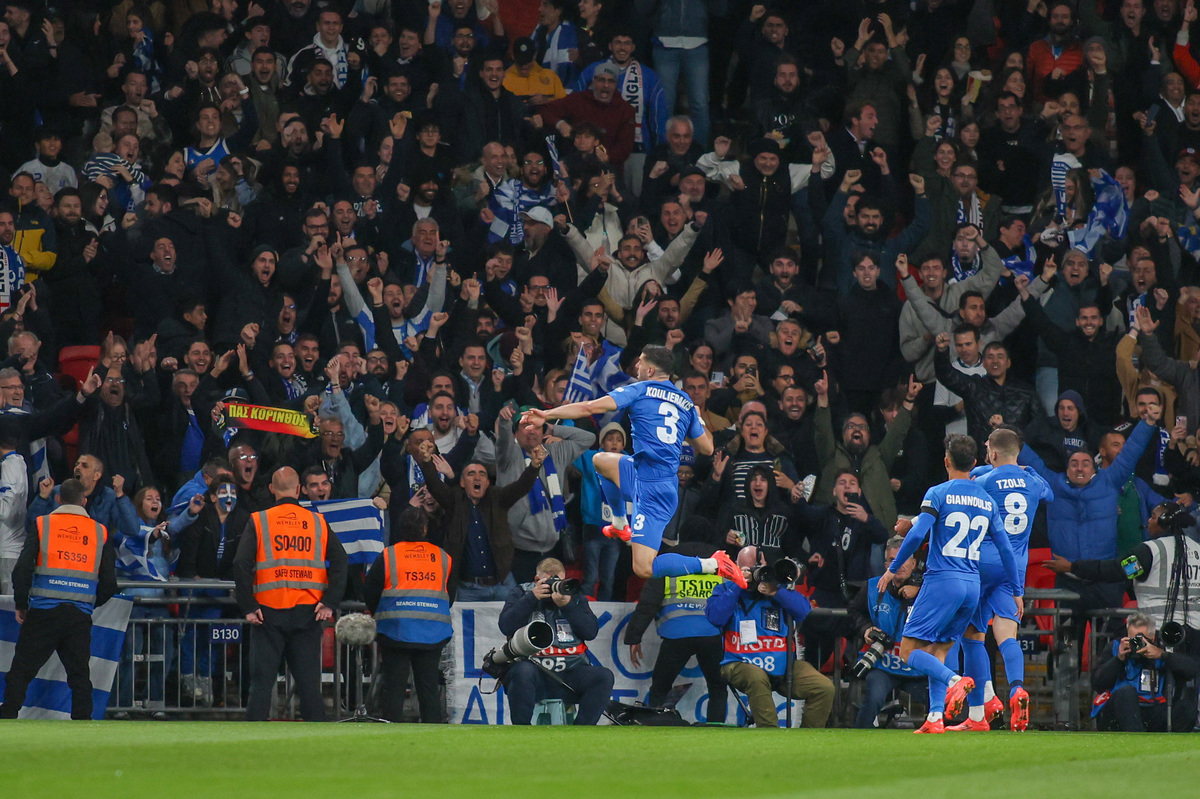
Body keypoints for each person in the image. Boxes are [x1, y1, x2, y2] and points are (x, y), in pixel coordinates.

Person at [520, 345, 742, 586]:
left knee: (643, 568)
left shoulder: (640, 390)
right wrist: (698, 419)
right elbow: (708, 448)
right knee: (600, 460)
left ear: (649, 369)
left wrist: (546, 414)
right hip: (642, 472)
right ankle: (618, 522)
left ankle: (713, 563)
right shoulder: (686, 402)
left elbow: (589, 407)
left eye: (639, 362)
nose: (635, 366)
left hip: (654, 492)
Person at [877, 434, 1018, 734]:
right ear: (975, 463)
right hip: (972, 584)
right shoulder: (987, 501)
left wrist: (891, 569)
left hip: (943, 580)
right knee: (939, 650)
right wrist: (1017, 590)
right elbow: (1006, 549)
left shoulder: (938, 493)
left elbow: (916, 535)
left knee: (909, 651)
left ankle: (956, 681)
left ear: (946, 461)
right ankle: (935, 717)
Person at [951, 428, 1054, 733]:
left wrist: (985, 469)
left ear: (993, 453)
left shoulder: (984, 481)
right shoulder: (1033, 481)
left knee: (972, 637)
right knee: (1007, 635)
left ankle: (980, 709)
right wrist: (1025, 470)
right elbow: (1050, 491)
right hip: (1014, 569)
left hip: (982, 562)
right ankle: (1018, 689)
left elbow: (964, 486)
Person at [233, 467, 348, 722]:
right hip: (307, 612)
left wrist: (249, 605)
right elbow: (341, 561)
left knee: (261, 684)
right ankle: (317, 746)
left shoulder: (259, 520)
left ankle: (251, 744)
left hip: (267, 612)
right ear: (299, 490)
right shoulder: (317, 522)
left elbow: (240, 563)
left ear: (272, 489)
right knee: (309, 686)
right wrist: (329, 602)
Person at [1, 479, 118, 720]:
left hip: (43, 611)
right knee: (79, 676)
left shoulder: (44, 525)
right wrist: (87, 602)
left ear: (58, 499)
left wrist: (22, 603)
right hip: (78, 615)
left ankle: (8, 715)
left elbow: (22, 569)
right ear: (84, 501)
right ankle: (83, 724)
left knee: (21, 671)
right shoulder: (99, 531)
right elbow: (109, 584)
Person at [705, 545, 835, 728]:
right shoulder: (726, 589)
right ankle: (770, 735)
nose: (754, 573)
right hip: (740, 662)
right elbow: (715, 617)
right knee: (756, 677)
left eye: (757, 568)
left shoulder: (777, 589)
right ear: (736, 566)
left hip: (783, 666)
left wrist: (775, 591)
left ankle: (808, 741)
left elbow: (804, 611)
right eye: (747, 569)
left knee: (824, 688)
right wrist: (738, 583)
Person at [623, 516, 727, 721]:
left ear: (682, 535)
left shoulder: (668, 559)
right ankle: (716, 729)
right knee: (717, 687)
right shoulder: (721, 561)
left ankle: (655, 727)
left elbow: (649, 602)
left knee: (660, 687)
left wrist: (634, 636)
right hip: (711, 634)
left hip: (676, 635)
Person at [498, 557, 615, 725]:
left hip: (570, 673)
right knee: (523, 670)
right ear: (537, 580)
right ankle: (521, 730)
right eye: (548, 582)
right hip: (533, 674)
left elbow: (590, 632)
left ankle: (582, 731)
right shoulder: (522, 593)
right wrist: (532, 598)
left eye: (559, 582)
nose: (555, 587)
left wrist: (567, 606)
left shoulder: (573, 595)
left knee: (604, 676)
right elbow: (505, 626)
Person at [363, 506, 451, 723]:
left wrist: (380, 613)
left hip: (396, 631)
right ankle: (434, 734)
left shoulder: (389, 555)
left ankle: (390, 734)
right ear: (425, 528)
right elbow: (450, 591)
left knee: (393, 688)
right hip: (433, 632)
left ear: (401, 528)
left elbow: (370, 590)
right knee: (429, 689)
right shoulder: (442, 557)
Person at [848, 535, 924, 729]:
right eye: (892, 560)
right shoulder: (873, 586)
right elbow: (853, 612)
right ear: (885, 565)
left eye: (904, 558)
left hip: (918, 668)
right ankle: (856, 744)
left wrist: (921, 589)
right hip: (883, 663)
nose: (898, 564)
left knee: (939, 702)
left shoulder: (929, 590)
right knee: (872, 698)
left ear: (914, 563)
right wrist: (866, 628)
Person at [1090, 612, 1198, 732]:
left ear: (1152, 638)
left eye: (1140, 640)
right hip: (1119, 710)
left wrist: (1163, 655)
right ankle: (1136, 742)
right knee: (1127, 692)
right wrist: (1118, 660)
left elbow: (1192, 669)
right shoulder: (1115, 647)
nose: (1136, 644)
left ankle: (1169, 747)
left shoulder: (1161, 649)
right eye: (1132, 639)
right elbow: (1097, 683)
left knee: (1187, 709)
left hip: (1153, 709)